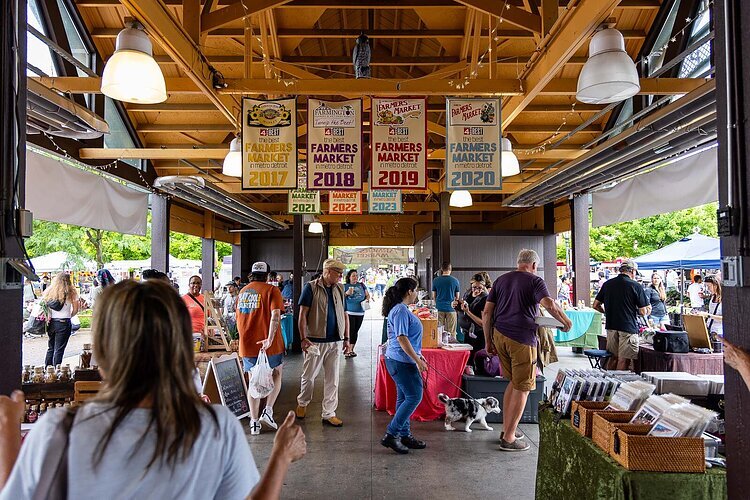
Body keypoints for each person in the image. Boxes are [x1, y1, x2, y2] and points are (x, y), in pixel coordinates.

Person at [0, 279, 306, 498]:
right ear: (180, 348)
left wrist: (8, 434)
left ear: (102, 353)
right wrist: (279, 456)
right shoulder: (214, 427)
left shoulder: (59, 431)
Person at [482, 250, 572, 452]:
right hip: (522, 339)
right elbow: (548, 304)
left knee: (513, 382)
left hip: (500, 335)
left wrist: (488, 340)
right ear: (533, 265)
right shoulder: (535, 281)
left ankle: (507, 429)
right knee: (523, 387)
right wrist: (565, 321)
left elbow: (487, 312)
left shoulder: (501, 280)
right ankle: (509, 438)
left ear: (518, 263)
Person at [295, 259, 350, 427]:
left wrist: (347, 338)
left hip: (335, 341)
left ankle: (329, 413)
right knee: (309, 376)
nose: (341, 276)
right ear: (327, 271)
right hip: (315, 341)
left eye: (341, 273)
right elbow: (302, 314)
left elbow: (344, 314)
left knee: (333, 379)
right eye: (337, 272)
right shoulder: (310, 287)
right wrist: (303, 338)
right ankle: (303, 403)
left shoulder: (340, 289)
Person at [237, 262, 286, 436]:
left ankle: (254, 422)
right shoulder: (272, 291)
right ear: (267, 276)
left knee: (253, 382)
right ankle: (268, 410)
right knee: (276, 374)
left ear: (251, 274)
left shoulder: (242, 292)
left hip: (248, 343)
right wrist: (270, 338)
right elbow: (275, 315)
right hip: (270, 344)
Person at [380, 277, 427, 454]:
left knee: (403, 398)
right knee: (415, 396)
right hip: (401, 361)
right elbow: (402, 338)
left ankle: (404, 434)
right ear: (409, 291)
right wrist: (417, 360)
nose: (416, 293)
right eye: (416, 290)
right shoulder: (400, 310)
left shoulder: (402, 309)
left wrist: (418, 356)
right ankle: (391, 434)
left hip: (400, 359)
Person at [592, 260, 651, 371]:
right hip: (628, 327)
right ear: (632, 271)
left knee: (612, 357)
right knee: (624, 359)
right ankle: (619, 384)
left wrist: (606, 312)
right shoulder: (635, 286)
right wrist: (648, 310)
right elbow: (643, 312)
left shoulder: (608, 284)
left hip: (611, 326)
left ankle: (609, 382)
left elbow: (595, 305)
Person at [41, 272, 81, 367]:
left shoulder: (50, 291)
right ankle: (56, 371)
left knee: (51, 347)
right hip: (64, 322)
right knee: (59, 349)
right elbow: (75, 309)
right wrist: (69, 316)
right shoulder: (72, 292)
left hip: (51, 323)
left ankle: (47, 369)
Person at [457, 273, 489, 366]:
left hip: (478, 335)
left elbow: (483, 323)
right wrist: (457, 306)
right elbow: (463, 307)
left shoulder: (485, 299)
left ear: (483, 287)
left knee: (477, 361)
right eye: (474, 287)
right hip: (467, 333)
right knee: (467, 360)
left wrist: (468, 312)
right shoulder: (468, 293)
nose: (476, 290)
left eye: (480, 288)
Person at [344, 269, 370, 358]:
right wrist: (346, 293)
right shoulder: (345, 286)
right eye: (353, 275)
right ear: (349, 277)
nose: (355, 277)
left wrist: (367, 299)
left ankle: (351, 349)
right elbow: (340, 296)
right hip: (349, 312)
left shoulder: (362, 285)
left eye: (356, 275)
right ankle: (347, 350)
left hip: (360, 312)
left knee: (355, 331)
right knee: (350, 331)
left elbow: (367, 295)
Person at [432, 262, 461, 340]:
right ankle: (452, 349)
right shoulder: (455, 281)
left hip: (439, 308)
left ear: (442, 269)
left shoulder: (435, 280)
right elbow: (457, 297)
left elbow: (433, 296)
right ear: (450, 269)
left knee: (439, 331)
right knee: (452, 333)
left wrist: (437, 303)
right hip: (451, 309)